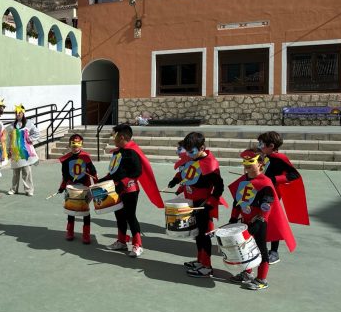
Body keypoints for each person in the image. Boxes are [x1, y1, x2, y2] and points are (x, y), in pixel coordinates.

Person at [227, 150, 296, 290]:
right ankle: (247, 273)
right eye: (245, 162)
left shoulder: (265, 183)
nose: (246, 165)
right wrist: (233, 218)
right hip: (245, 221)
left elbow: (267, 205)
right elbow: (237, 202)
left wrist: (259, 221)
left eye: (250, 162)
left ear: (260, 164)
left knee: (261, 250)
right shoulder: (244, 180)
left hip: (259, 222)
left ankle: (262, 279)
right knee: (245, 250)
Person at [99, 124, 164, 257]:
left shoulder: (132, 152)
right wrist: (102, 180)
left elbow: (137, 172)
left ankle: (137, 245)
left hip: (130, 190)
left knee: (130, 216)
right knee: (119, 216)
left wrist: (123, 183)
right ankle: (122, 242)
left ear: (121, 137)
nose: (113, 138)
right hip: (116, 189)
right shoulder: (118, 152)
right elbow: (115, 172)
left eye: (114, 136)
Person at [168, 132, 225, 278]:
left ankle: (207, 266)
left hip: (203, 204)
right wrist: (176, 180)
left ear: (202, 148)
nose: (189, 154)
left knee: (204, 235)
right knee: (197, 234)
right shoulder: (192, 158)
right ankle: (200, 260)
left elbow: (219, 187)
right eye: (187, 151)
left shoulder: (210, 164)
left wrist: (210, 202)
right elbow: (186, 172)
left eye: (191, 151)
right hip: (191, 202)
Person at [257, 131, 308, 264]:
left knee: (273, 221)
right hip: (262, 191)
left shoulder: (280, 158)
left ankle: (274, 251)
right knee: (259, 218)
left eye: (261, 144)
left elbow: (294, 175)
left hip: (272, 193)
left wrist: (274, 179)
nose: (259, 146)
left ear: (271, 146)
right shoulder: (266, 156)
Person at [58, 134, 97, 243]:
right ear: (70, 145)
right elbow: (65, 175)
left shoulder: (86, 157)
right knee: (71, 209)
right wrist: (62, 187)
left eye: (78, 144)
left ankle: (86, 234)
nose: (75, 147)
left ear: (81, 145)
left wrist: (97, 184)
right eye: (73, 145)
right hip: (71, 187)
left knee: (85, 211)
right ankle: (70, 231)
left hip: (85, 186)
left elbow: (93, 172)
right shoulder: (66, 159)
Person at [6, 104, 39, 196]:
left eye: (19, 112)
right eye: (16, 113)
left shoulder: (29, 123)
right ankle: (14, 189)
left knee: (26, 171)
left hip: (25, 152)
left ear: (23, 113)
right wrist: (8, 150)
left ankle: (29, 190)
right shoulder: (11, 126)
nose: (17, 114)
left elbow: (36, 133)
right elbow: (8, 139)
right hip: (15, 152)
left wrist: (30, 139)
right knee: (15, 172)